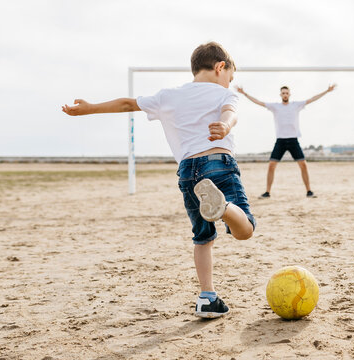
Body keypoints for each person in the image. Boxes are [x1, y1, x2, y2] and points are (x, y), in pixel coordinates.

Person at [62, 42, 255, 319]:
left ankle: (207, 297)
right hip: (218, 163)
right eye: (230, 78)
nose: (229, 84)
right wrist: (225, 125)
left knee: (202, 238)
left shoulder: (169, 95)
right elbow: (230, 112)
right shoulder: (225, 94)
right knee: (245, 229)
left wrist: (90, 108)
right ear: (220, 67)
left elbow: (127, 103)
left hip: (188, 172)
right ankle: (222, 208)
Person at [236, 84, 336, 198]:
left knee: (303, 165)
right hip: (280, 141)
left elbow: (312, 99)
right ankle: (267, 192)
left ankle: (309, 191)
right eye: (283, 93)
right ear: (280, 95)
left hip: (293, 140)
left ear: (289, 94)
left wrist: (327, 91)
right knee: (271, 165)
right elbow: (259, 102)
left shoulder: (296, 105)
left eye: (286, 93)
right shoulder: (275, 106)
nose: (285, 95)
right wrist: (244, 93)